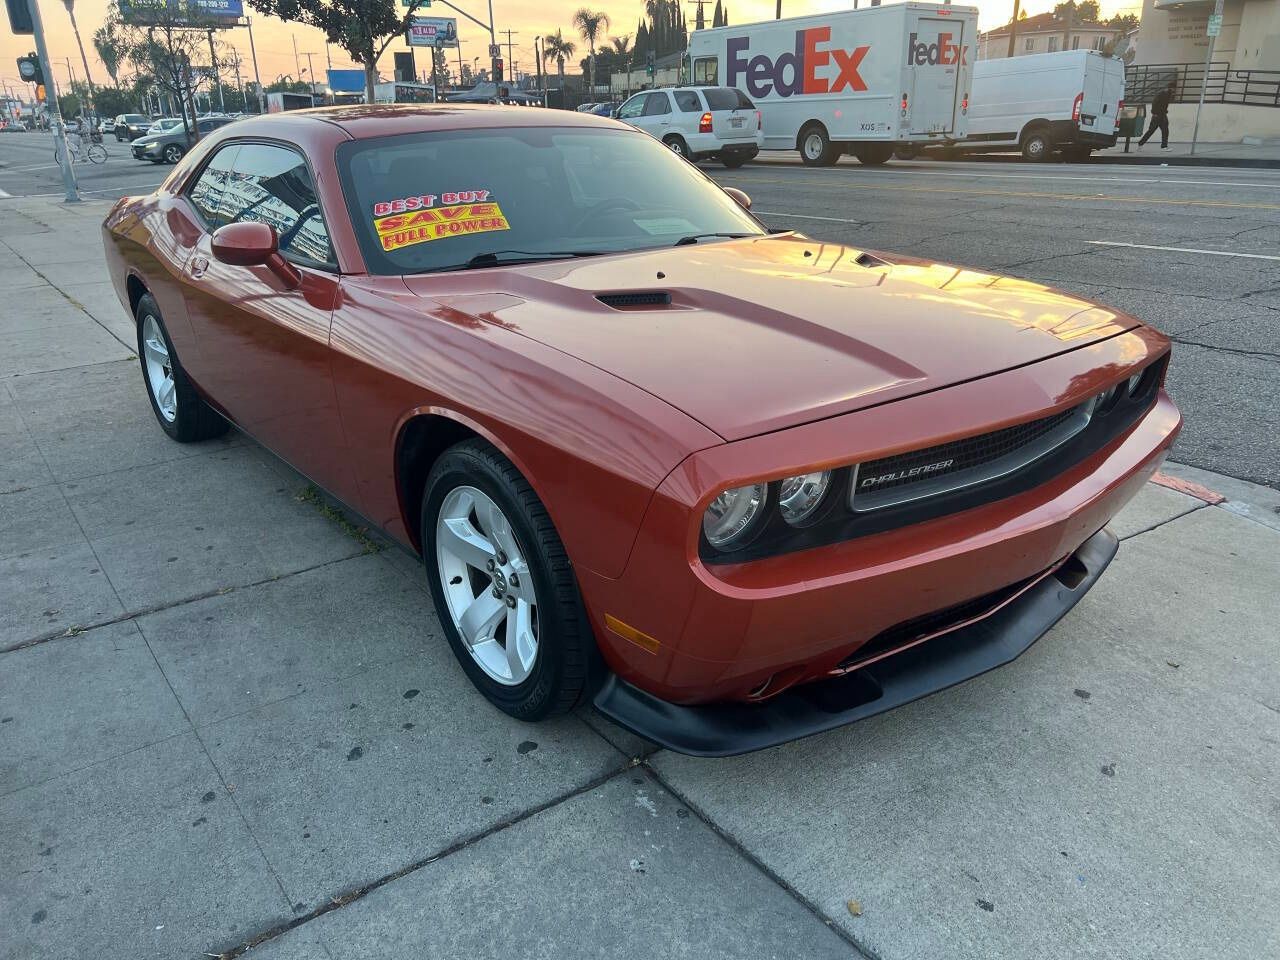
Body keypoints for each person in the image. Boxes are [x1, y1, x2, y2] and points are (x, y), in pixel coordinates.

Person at [1139, 82, 1175, 149]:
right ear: (1171, 88)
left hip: (1162, 114)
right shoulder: (1163, 94)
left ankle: (1163, 146)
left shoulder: (1167, 94)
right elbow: (1155, 102)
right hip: (1158, 115)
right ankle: (1141, 143)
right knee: (1152, 130)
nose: (1174, 91)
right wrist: (1154, 112)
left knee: (1164, 131)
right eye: (1173, 89)